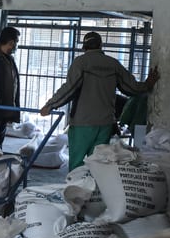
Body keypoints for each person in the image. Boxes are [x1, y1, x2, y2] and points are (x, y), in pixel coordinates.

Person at [39, 30, 160, 170]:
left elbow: (69, 88)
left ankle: (76, 190)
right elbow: (131, 88)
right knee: (97, 164)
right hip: (105, 124)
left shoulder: (80, 63)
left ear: (84, 47)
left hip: (82, 124)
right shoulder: (113, 64)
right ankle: (93, 191)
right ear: (101, 45)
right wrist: (148, 84)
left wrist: (50, 105)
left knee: (77, 165)